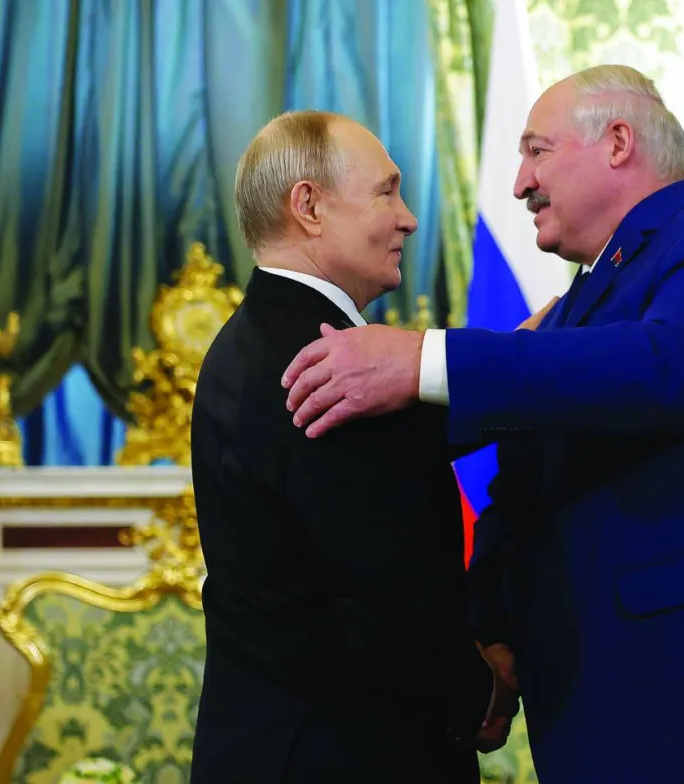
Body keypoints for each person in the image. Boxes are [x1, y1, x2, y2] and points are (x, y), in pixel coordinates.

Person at [280, 67, 684, 783]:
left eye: (536, 152)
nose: (520, 184)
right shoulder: (576, 307)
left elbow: (663, 369)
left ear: (618, 142)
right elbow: (525, 482)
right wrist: (492, 629)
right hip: (618, 714)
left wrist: (425, 357)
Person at [189, 110, 516, 784]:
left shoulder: (259, 340)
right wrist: (480, 692)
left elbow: (426, 433)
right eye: (386, 191)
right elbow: (384, 590)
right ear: (309, 206)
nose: (409, 219)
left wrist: (541, 350)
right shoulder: (329, 364)